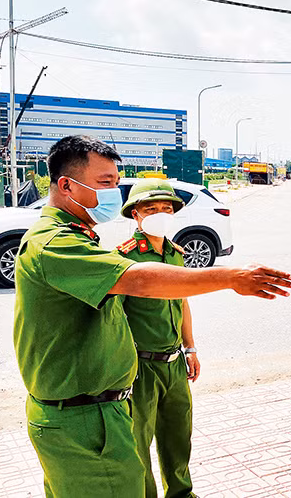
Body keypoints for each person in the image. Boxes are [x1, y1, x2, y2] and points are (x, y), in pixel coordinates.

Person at [14, 135, 291, 497]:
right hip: (83, 419)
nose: (113, 193)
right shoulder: (54, 243)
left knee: (175, 442)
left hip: (102, 408)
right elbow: (140, 279)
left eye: (116, 183)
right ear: (67, 185)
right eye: (105, 184)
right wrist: (230, 277)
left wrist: (189, 348)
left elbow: (175, 301)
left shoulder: (82, 239)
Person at [116, 178, 198, 497]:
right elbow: (115, 317)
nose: (160, 213)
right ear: (135, 214)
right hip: (141, 366)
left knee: (178, 436)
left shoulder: (175, 254)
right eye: (151, 208)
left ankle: (181, 493)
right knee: (139, 440)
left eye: (167, 208)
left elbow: (183, 302)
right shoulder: (124, 258)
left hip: (174, 363)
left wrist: (190, 348)